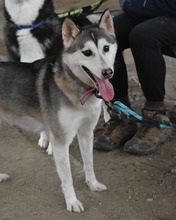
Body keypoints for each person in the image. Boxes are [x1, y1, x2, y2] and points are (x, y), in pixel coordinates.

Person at [94, 0, 176, 155]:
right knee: (108, 35)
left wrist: (131, 4)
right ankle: (122, 114)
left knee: (143, 36)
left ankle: (156, 117)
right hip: (154, 8)